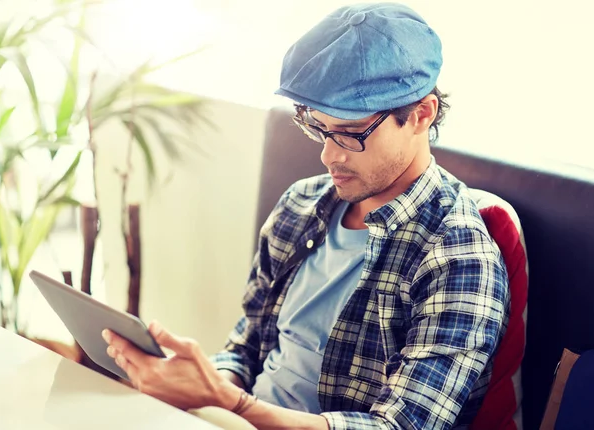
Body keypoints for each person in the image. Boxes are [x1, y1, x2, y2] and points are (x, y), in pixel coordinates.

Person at [102, 3, 510, 429]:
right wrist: (203, 389)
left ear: (421, 115)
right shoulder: (301, 205)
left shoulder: (458, 255)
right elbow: (247, 347)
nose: (327, 154)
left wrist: (232, 404)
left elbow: (401, 426)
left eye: (351, 134)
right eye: (317, 127)